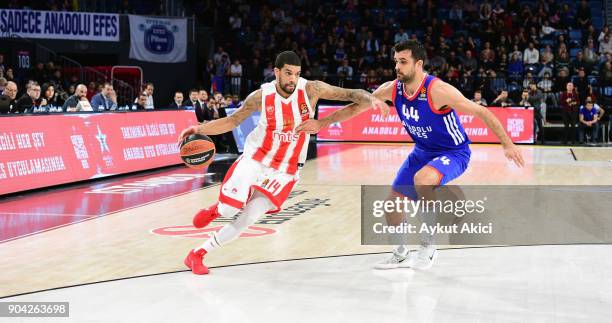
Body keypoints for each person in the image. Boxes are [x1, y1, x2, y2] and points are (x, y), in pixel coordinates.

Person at [297, 40, 524, 270]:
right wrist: (322, 122)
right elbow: (357, 107)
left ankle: (428, 246)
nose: (397, 66)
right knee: (391, 206)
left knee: (422, 180)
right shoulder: (391, 89)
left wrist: (507, 144)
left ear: (419, 64)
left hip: (454, 152)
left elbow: (481, 111)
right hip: (422, 152)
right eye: (396, 61)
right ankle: (400, 253)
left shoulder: (438, 90)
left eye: (403, 62)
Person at [177, 51, 388, 275]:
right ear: (276, 72)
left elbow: (352, 94)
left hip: (286, 169)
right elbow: (232, 121)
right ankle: (218, 209)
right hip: (257, 157)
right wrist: (199, 129)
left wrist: (369, 100)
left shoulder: (311, 89)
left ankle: (197, 253)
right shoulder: (260, 96)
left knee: (249, 217)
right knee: (231, 208)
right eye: (288, 73)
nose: (292, 79)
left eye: (296, 74)